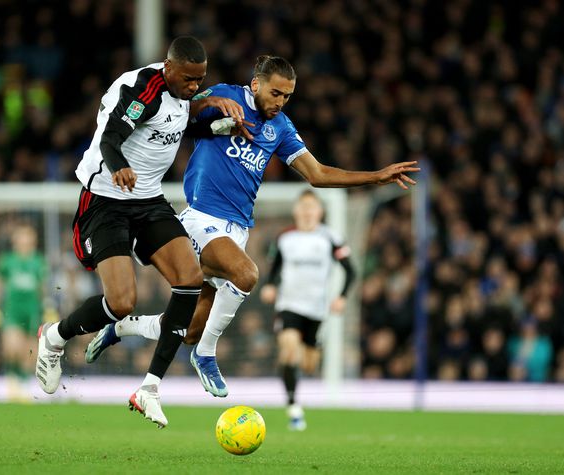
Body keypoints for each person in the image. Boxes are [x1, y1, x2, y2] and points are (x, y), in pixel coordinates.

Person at [85, 55, 419, 399]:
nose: (280, 102)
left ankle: (121, 328)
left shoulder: (281, 128)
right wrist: (210, 105)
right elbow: (182, 111)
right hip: (200, 219)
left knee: (186, 330)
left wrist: (375, 176)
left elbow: (317, 174)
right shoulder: (227, 96)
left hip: (236, 231)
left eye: (288, 96)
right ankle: (206, 355)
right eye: (276, 93)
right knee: (246, 274)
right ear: (256, 84)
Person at [34, 36, 247, 428]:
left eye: (200, 80)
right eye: (188, 79)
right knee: (121, 302)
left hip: (147, 199)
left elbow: (174, 127)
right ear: (168, 67)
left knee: (189, 278)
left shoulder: (183, 93)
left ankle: (149, 388)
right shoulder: (142, 89)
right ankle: (54, 338)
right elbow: (111, 138)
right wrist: (118, 167)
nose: (194, 86)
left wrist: (213, 119)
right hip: (105, 199)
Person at [259, 189, 356, 431]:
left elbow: (351, 270)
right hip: (289, 305)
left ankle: (312, 349)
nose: (307, 212)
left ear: (320, 212)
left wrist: (342, 297)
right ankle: (293, 407)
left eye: (311, 207)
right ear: (296, 211)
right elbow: (275, 268)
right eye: (302, 207)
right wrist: (270, 285)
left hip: (317, 310)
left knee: (309, 364)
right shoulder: (284, 238)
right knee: (289, 351)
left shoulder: (331, 238)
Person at [0, 224, 54, 401]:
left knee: (30, 353)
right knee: (11, 348)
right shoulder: (6, 260)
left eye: (28, 237)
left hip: (32, 311)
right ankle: (13, 379)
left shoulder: (39, 261)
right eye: (22, 236)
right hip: (12, 311)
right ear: (15, 240)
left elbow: (44, 289)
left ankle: (22, 386)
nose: (25, 241)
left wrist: (49, 308)